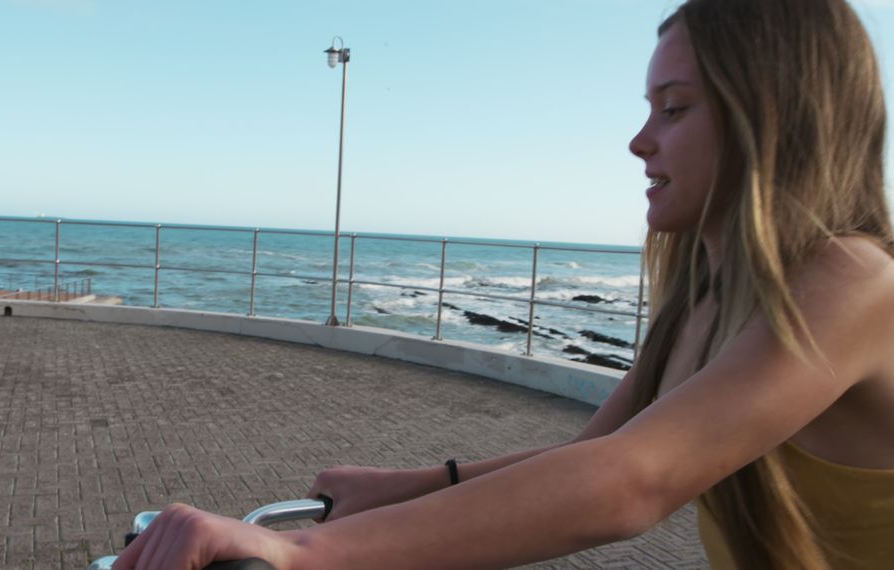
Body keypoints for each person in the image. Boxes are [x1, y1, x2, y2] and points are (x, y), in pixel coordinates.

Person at [114, 0, 894, 568]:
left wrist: (306, 554)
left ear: (776, 118)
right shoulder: (702, 301)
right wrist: (413, 485)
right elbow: (597, 452)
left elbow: (632, 483)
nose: (639, 140)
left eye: (675, 108)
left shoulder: (856, 281)